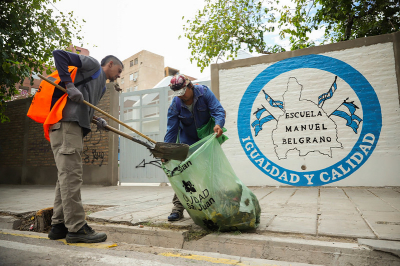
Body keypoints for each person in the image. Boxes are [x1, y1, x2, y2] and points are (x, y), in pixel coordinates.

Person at [45, 50, 123, 243]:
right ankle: (77, 228)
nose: (119, 75)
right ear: (110, 64)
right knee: (71, 177)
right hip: (66, 124)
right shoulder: (93, 64)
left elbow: (83, 105)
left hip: (74, 128)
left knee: (66, 177)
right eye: (119, 70)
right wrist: (69, 85)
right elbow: (59, 55)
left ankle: (59, 225)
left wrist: (97, 119)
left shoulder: (102, 88)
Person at [163, 74, 226, 221]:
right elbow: (171, 130)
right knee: (185, 173)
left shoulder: (204, 93)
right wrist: (167, 150)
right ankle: (178, 209)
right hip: (188, 140)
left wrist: (218, 124)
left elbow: (218, 110)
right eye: (178, 94)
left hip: (206, 137)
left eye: (183, 92)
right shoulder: (175, 104)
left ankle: (212, 206)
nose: (182, 97)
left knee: (210, 170)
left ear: (189, 86)